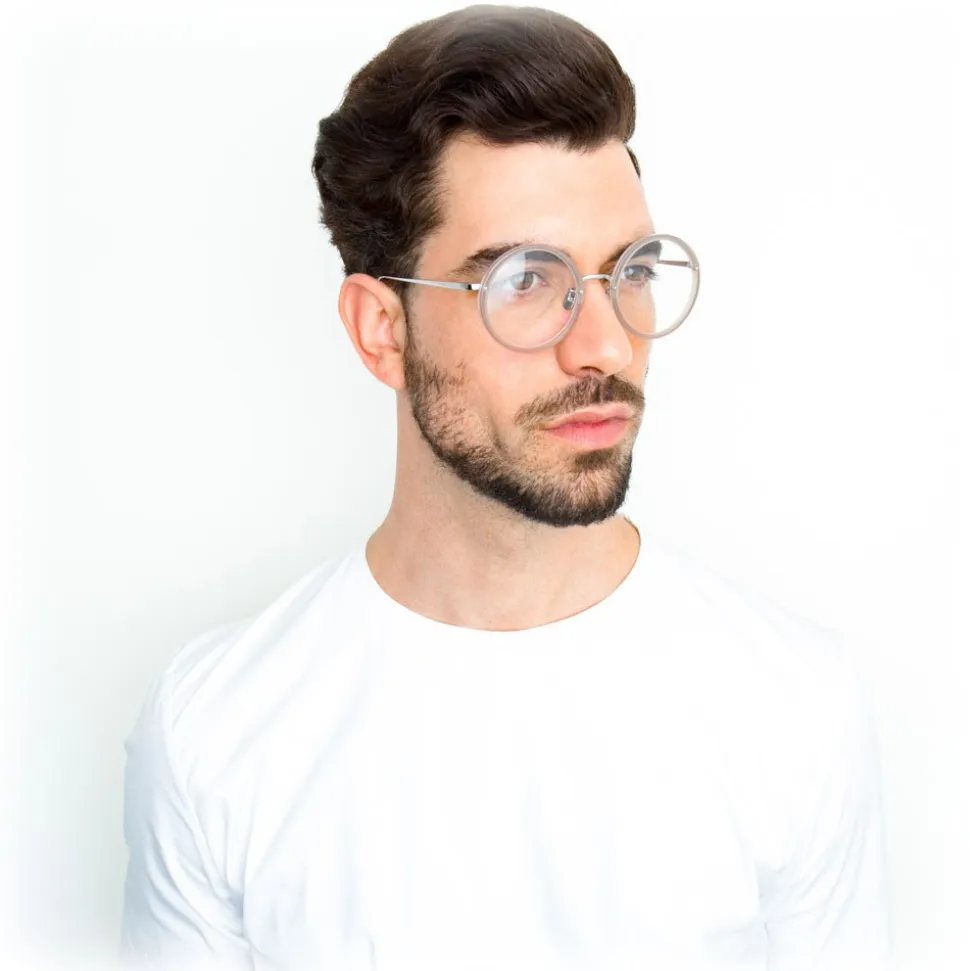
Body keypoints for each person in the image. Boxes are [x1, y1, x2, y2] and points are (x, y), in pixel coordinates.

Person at [119, 5, 891, 970]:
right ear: (381, 330)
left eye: (632, 270)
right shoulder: (217, 731)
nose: (606, 346)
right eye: (526, 279)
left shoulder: (795, 707)